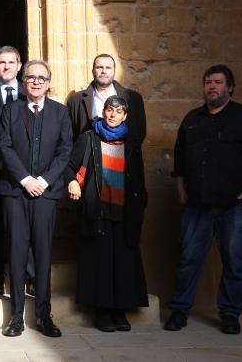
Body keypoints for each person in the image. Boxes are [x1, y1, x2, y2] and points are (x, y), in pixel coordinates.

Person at [164, 65, 242, 335]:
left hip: (236, 206)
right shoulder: (192, 119)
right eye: (208, 82)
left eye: (218, 82)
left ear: (230, 87)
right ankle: (179, 311)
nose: (212, 87)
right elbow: (179, 158)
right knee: (188, 259)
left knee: (235, 262)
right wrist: (180, 187)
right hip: (197, 206)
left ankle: (229, 314)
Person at [0, 60, 72, 338]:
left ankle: (43, 314)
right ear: (23, 81)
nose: (36, 82)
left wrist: (42, 181)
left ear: (48, 82)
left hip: (46, 193)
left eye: (42, 78)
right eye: (31, 78)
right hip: (15, 193)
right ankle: (16, 317)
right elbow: (4, 146)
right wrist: (25, 179)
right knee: (17, 254)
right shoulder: (11, 110)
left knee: (43, 255)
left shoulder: (61, 113)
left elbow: (65, 151)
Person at [65, 95, 148, 332]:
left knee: (122, 263)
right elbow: (69, 167)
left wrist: (141, 204)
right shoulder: (89, 138)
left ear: (125, 116)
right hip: (97, 209)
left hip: (125, 210)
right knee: (100, 262)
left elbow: (139, 178)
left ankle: (120, 312)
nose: (112, 115)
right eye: (109, 110)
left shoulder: (132, 142)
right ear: (103, 113)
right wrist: (71, 182)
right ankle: (102, 313)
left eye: (118, 111)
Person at [0, 46, 35, 298]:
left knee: (26, 226)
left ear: (19, 65)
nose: (6, 66)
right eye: (2, 62)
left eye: (11, 62)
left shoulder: (30, 92)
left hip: (25, 173)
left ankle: (29, 277)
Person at [67, 54, 146, 143]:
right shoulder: (75, 101)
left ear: (114, 71)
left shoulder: (133, 98)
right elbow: (70, 136)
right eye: (99, 67)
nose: (104, 71)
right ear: (93, 71)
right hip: (91, 155)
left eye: (108, 68)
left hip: (125, 155)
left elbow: (140, 132)